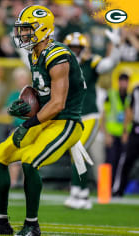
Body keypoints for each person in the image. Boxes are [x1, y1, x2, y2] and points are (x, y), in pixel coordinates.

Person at [0, 6, 86, 236]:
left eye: (27, 29)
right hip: (44, 121)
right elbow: (43, 94)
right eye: (22, 29)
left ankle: (32, 225)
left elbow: (57, 104)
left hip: (65, 123)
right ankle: (1, 222)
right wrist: (27, 106)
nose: (22, 34)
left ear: (43, 29)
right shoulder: (35, 53)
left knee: (29, 161)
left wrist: (27, 124)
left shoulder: (58, 55)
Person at [63, 30, 121, 209]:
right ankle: (83, 195)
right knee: (77, 154)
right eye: (71, 47)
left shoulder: (91, 62)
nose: (75, 51)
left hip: (90, 116)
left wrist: (116, 46)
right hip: (74, 117)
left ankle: (76, 192)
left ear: (84, 48)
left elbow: (109, 65)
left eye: (77, 48)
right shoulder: (63, 65)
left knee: (78, 151)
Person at [102, 73, 130, 193]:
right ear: (118, 82)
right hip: (112, 135)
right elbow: (103, 116)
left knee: (120, 164)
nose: (123, 84)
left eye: (126, 81)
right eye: (122, 81)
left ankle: (116, 190)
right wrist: (106, 134)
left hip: (124, 136)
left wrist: (126, 134)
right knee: (109, 162)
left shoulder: (130, 97)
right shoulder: (111, 95)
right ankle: (105, 190)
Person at [114, 84, 139, 196]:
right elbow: (129, 110)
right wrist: (125, 130)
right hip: (136, 129)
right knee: (126, 161)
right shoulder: (136, 90)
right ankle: (119, 190)